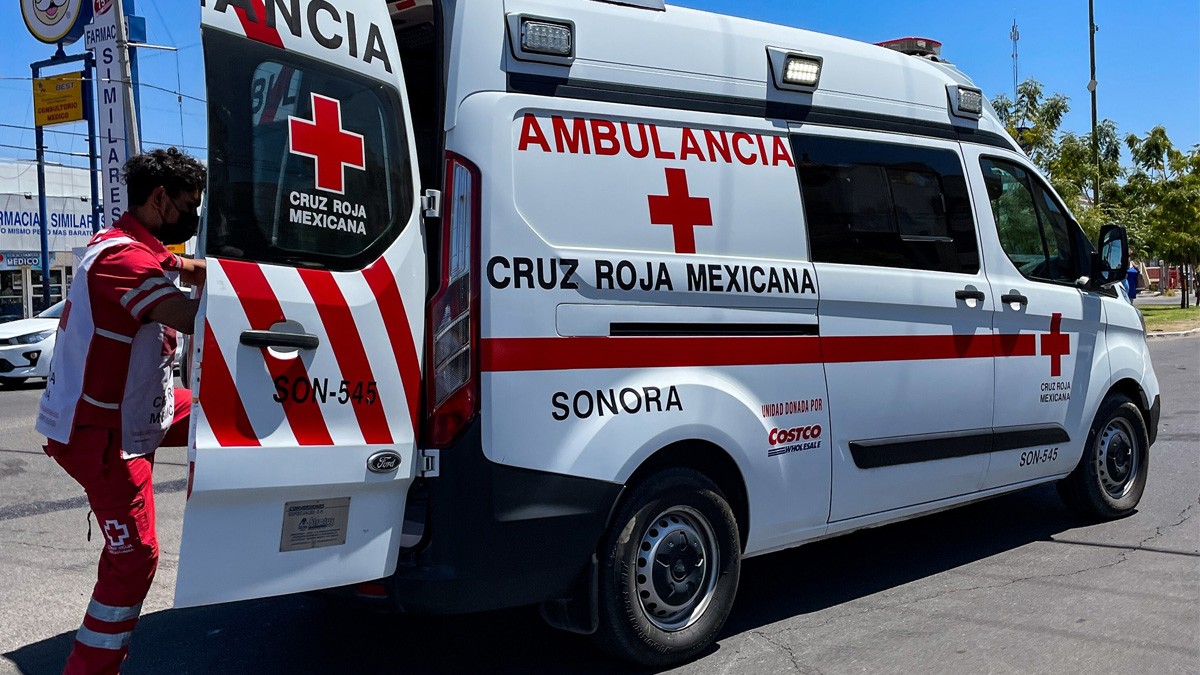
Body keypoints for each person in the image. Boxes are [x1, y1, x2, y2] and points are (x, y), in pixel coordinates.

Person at [35, 148, 207, 675]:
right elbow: (190, 313)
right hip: (102, 432)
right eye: (188, 205)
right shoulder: (121, 260)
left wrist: (221, 269)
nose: (193, 216)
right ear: (159, 198)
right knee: (135, 559)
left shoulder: (137, 248)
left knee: (226, 411)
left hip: (140, 409)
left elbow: (183, 266)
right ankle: (89, 668)